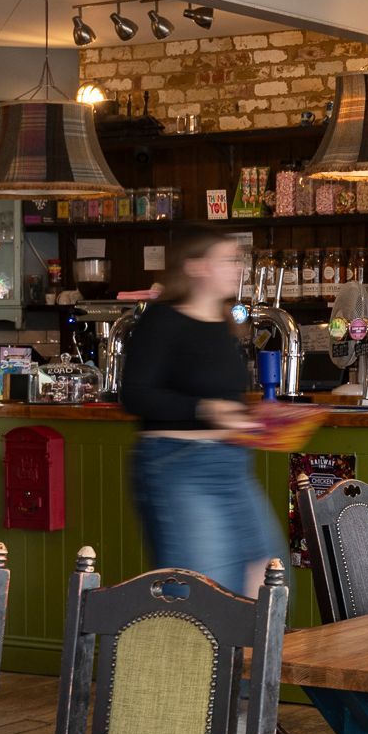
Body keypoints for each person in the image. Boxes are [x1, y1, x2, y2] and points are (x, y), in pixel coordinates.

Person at [118, 227, 285, 596]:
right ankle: (191, 655)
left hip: (232, 466)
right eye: (227, 260)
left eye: (238, 260)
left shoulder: (225, 324)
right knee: (202, 595)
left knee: (267, 578)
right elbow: (134, 396)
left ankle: (250, 656)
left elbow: (226, 401)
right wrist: (205, 408)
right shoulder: (162, 320)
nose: (238, 267)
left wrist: (255, 422)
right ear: (196, 267)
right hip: (178, 464)